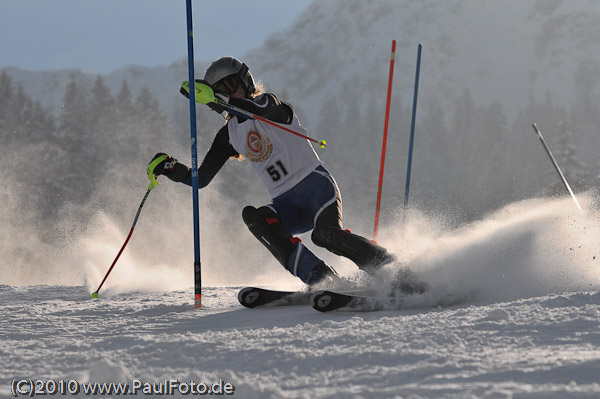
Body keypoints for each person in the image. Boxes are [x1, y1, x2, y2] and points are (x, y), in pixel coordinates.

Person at [149, 56, 396, 287]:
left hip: (317, 189)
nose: (227, 93)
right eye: (220, 90)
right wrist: (171, 167)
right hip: (289, 205)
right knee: (255, 217)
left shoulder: (269, 103)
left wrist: (219, 98)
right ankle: (322, 279)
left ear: (246, 82)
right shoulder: (229, 135)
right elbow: (200, 179)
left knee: (325, 235)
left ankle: (389, 267)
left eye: (231, 85)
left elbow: (260, 111)